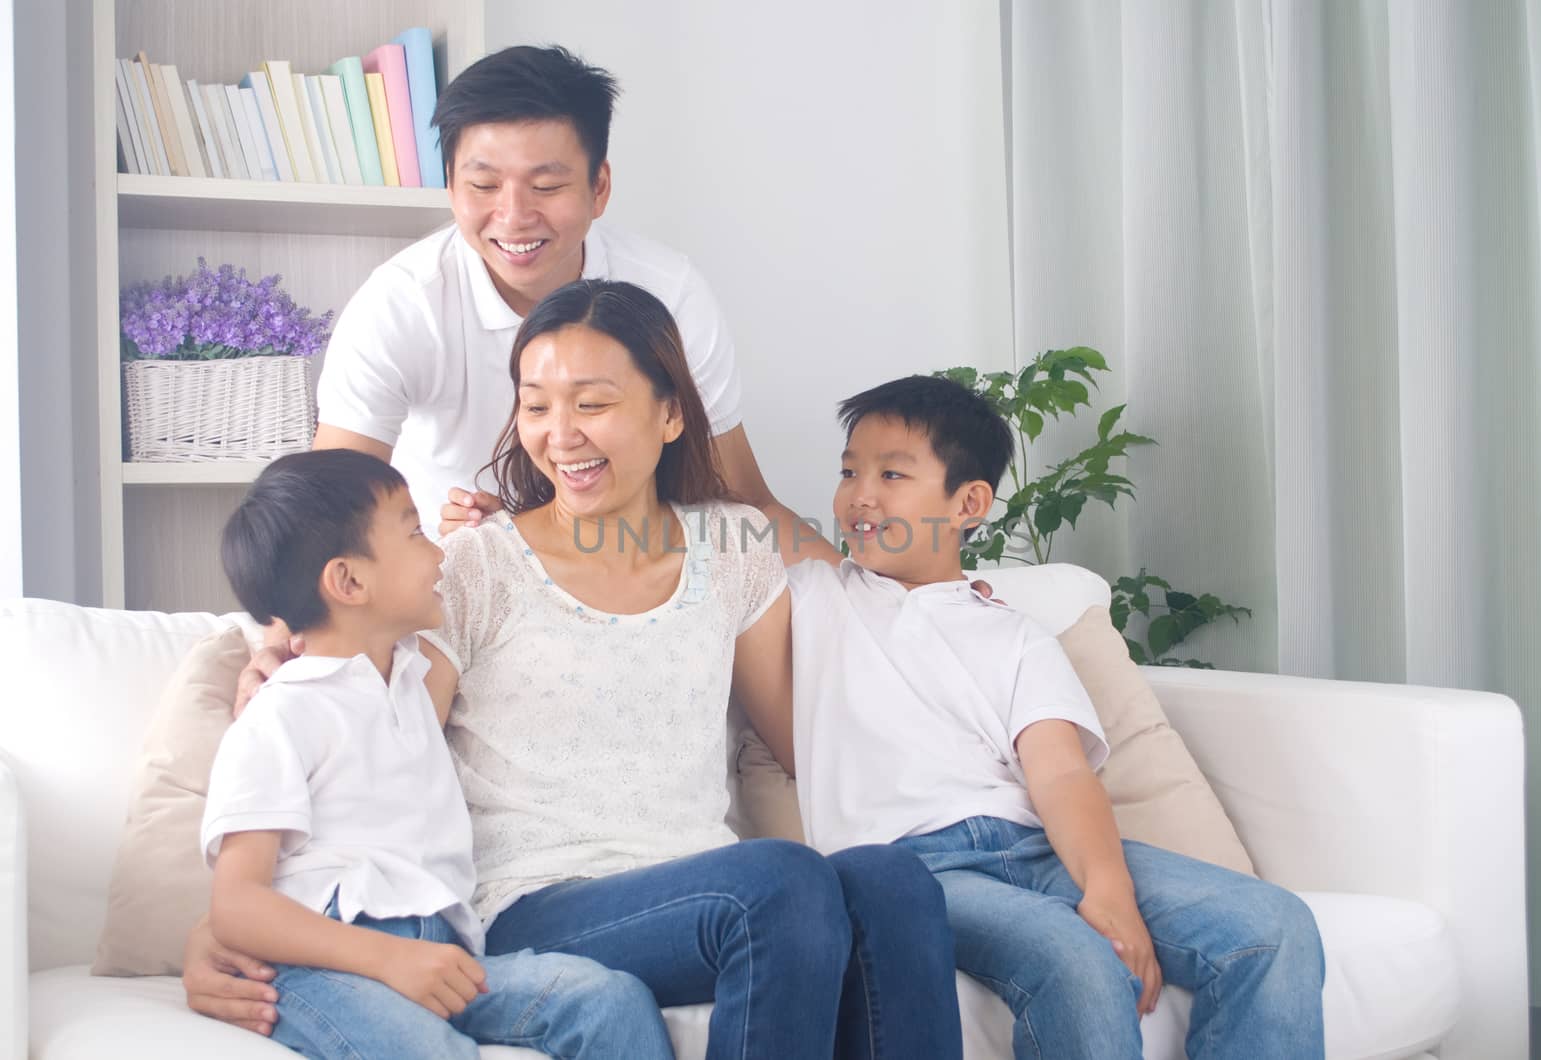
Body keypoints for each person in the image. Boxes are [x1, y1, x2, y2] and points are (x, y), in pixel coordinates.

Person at [190, 281, 963, 1060]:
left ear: (670, 413)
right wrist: (229, 926)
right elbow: (368, 764)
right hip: (534, 906)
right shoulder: (472, 565)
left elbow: (810, 747)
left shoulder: (733, 547)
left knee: (894, 885)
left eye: (591, 404)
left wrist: (940, 608)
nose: (560, 435)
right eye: (536, 406)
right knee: (782, 884)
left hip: (709, 891)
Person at [785, 374, 1327, 1060]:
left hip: (1033, 848)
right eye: (848, 472)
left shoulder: (1017, 636)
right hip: (910, 872)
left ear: (969, 502)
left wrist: (1109, 891)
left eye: (891, 474)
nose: (860, 494)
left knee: (1272, 925)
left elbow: (1063, 775)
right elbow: (733, 497)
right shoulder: (819, 593)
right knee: (1074, 958)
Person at [205, 448, 673, 1059]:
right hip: (328, 962)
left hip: (440, 952)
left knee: (608, 999)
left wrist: (508, 529)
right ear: (349, 582)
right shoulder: (283, 713)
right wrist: (389, 958)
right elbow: (237, 905)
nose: (438, 553)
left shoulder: (410, 681)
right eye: (415, 531)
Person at [310, 43, 828, 560]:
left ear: (599, 187)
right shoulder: (402, 304)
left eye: (547, 185)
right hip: (447, 572)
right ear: (449, 186)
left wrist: (874, 605)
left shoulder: (668, 293)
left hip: (627, 570)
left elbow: (743, 502)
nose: (513, 216)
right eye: (484, 184)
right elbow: (329, 509)